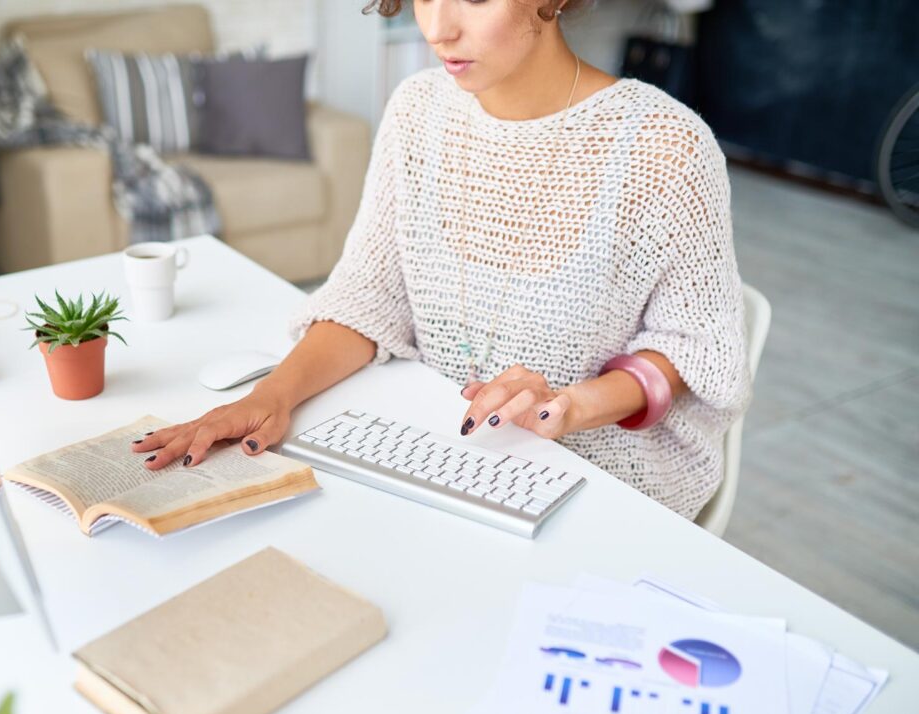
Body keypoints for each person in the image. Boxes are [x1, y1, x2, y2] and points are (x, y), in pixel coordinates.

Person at [133, 0, 750, 520]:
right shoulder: (418, 111)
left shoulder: (664, 144)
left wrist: (570, 404)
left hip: (592, 477)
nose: (438, 29)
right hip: (427, 447)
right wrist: (273, 395)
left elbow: (691, 350)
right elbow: (368, 295)